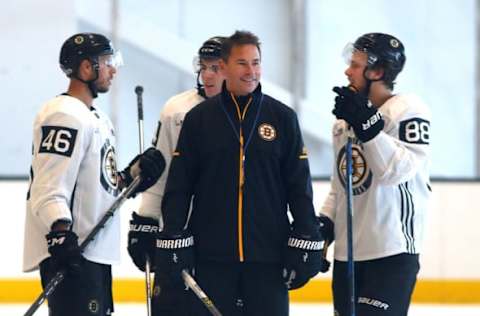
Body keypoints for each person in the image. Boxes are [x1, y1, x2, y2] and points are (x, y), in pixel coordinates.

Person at [155, 30, 325, 316]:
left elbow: (299, 186)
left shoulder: (282, 117)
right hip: (211, 259)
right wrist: (173, 233)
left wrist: (307, 233)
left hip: (269, 260)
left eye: (256, 63)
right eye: (242, 63)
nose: (251, 71)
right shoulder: (199, 119)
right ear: (224, 67)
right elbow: (180, 186)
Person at [23, 32, 165, 316]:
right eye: (107, 61)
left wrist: (134, 176)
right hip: (73, 252)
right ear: (87, 68)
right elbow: (48, 187)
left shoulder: (96, 117)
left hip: (92, 251)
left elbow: (104, 185)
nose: (113, 69)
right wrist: (60, 234)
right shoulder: (65, 115)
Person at [319, 33, 431, 316]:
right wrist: (323, 230)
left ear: (377, 71)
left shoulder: (407, 110)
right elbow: (340, 187)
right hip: (348, 255)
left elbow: (396, 172)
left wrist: (368, 126)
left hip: (390, 252)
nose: (347, 71)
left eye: (355, 65)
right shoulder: (345, 122)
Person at [126, 36, 227, 315]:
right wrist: (146, 220)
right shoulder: (176, 109)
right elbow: (160, 174)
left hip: (223, 243)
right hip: (175, 237)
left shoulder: (249, 113)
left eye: (215, 68)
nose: (206, 75)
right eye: (203, 67)